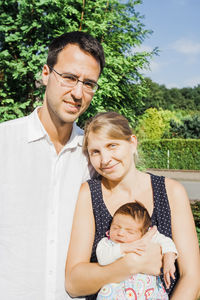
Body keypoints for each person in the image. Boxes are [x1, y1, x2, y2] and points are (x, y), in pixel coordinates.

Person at [0, 31, 105, 300]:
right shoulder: (4, 142)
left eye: (89, 83)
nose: (78, 93)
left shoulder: (96, 157)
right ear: (46, 73)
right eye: (69, 78)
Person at [65, 111, 200, 300]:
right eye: (95, 152)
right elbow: (74, 283)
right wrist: (132, 264)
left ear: (132, 142)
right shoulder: (89, 194)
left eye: (113, 146)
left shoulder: (171, 192)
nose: (105, 160)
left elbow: (192, 277)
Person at [96, 201, 178, 299]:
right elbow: (102, 259)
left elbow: (167, 242)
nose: (120, 233)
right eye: (115, 228)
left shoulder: (148, 237)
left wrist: (169, 259)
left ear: (144, 233)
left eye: (130, 232)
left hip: (149, 293)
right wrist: (123, 248)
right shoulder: (107, 243)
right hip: (117, 293)